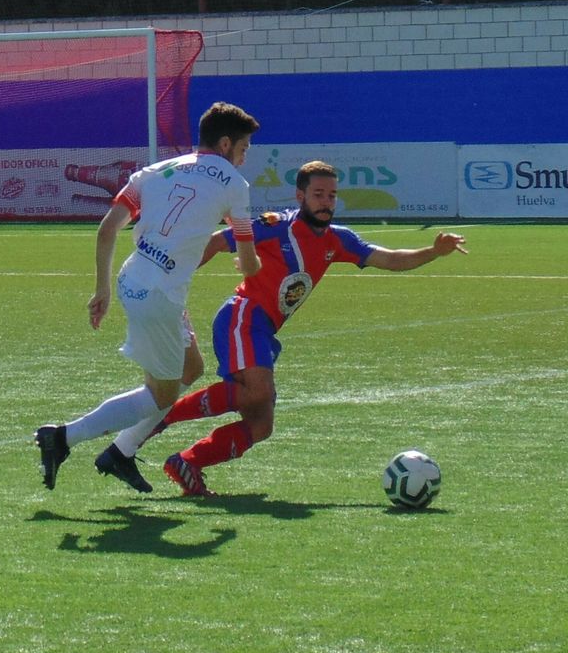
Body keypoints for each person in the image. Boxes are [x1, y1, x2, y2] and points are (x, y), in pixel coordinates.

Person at [110, 159, 469, 496]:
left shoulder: (338, 239)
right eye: (319, 195)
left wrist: (433, 251)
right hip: (243, 316)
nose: (327, 202)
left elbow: (389, 258)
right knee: (257, 392)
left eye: (332, 195)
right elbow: (221, 241)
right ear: (300, 197)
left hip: (265, 331)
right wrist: (175, 279)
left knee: (261, 425)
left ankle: (187, 463)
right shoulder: (274, 225)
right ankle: (164, 415)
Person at [36, 102, 262, 494]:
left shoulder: (155, 171)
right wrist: (254, 264)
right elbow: (248, 259)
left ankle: (121, 452)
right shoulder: (233, 185)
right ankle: (63, 438)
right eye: (243, 149)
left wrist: (102, 289)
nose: (243, 158)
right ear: (225, 144)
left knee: (191, 367)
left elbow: (107, 230)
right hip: (159, 299)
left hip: (132, 279)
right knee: (161, 395)